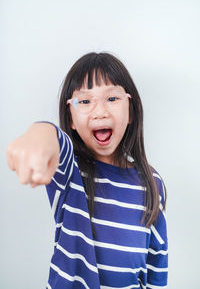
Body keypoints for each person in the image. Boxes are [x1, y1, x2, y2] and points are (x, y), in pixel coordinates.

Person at [7, 52, 168, 289]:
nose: (100, 112)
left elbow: (156, 269)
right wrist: (37, 136)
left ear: (131, 111)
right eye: (85, 101)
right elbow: (51, 137)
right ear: (71, 118)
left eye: (112, 99)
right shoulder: (69, 172)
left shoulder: (151, 182)